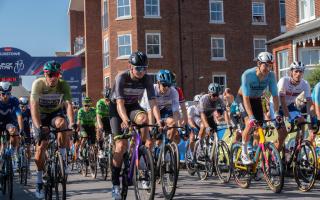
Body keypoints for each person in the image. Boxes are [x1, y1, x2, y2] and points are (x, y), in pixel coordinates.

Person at [110, 51, 162, 200]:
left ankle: (141, 153)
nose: (141, 71)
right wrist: (125, 120)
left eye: (144, 68)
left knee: (144, 119)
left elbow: (153, 102)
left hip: (133, 106)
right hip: (116, 108)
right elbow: (119, 103)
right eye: (138, 68)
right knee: (120, 146)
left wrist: (158, 121)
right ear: (130, 67)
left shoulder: (146, 79)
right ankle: (115, 185)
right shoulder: (121, 77)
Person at [30, 60, 75, 198]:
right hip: (41, 115)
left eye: (56, 74)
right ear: (45, 74)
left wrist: (72, 122)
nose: (53, 78)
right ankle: (38, 183)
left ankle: (62, 156)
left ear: (59, 75)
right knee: (42, 146)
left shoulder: (63, 85)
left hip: (55, 114)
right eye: (50, 74)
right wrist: (39, 127)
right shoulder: (38, 84)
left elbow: (68, 105)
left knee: (63, 124)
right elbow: (33, 106)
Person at [236, 52, 282, 165]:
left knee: (260, 128)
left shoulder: (271, 76)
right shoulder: (247, 75)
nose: (267, 68)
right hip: (243, 98)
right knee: (249, 123)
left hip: (256, 99)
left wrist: (276, 113)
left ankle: (256, 159)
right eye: (265, 65)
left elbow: (275, 96)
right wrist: (251, 117)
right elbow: (246, 99)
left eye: (270, 65)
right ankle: (244, 152)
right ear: (258, 64)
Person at [270, 61, 311, 149]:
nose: (298, 74)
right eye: (296, 71)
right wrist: (289, 118)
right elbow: (282, 100)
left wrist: (312, 116)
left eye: (301, 72)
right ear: (291, 72)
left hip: (289, 105)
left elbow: (309, 101)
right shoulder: (284, 81)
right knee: (283, 133)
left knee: (302, 122)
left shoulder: (305, 84)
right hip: (276, 106)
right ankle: (275, 157)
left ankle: (295, 149)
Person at [0, 82, 24, 171]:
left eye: (8, 94)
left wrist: (21, 129)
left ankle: (13, 154)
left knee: (14, 131)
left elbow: (19, 116)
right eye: (3, 94)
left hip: (9, 122)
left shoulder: (14, 100)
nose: (6, 96)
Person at [96, 87, 112, 158]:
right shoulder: (100, 103)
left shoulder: (113, 102)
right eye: (106, 99)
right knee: (99, 130)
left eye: (109, 99)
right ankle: (101, 150)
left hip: (110, 119)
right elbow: (98, 116)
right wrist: (100, 127)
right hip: (102, 119)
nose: (107, 101)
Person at [19, 96, 32, 171]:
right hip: (18, 130)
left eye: (26, 106)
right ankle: (17, 162)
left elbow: (33, 119)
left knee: (28, 149)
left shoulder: (28, 111)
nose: (24, 108)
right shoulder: (17, 111)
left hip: (27, 131)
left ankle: (28, 166)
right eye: (22, 106)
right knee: (17, 146)